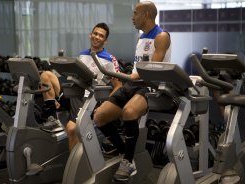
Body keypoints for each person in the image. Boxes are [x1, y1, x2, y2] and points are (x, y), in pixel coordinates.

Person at [93, 1, 171, 182]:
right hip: (133, 84)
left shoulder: (161, 36)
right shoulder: (141, 37)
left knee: (129, 112)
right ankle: (124, 152)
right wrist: (127, 75)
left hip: (151, 86)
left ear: (146, 15)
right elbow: (137, 69)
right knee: (99, 116)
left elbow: (152, 68)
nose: (132, 17)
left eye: (136, 13)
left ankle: (127, 160)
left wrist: (134, 76)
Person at [66, 22, 122, 152]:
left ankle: (81, 166)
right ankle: (75, 168)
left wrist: (107, 105)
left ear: (105, 41)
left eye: (101, 36)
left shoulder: (110, 60)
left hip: (96, 101)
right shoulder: (82, 55)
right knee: (71, 129)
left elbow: (118, 86)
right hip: (80, 98)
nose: (97, 37)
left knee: (78, 130)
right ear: (90, 35)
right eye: (95, 33)